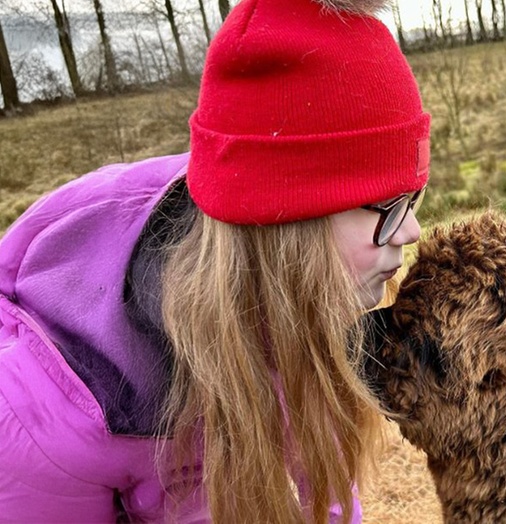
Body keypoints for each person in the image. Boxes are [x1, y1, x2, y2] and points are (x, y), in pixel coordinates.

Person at [0, 0, 430, 521]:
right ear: (289, 229)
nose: (411, 229)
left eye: (414, 198)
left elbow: (324, 491)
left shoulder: (298, 298)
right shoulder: (43, 414)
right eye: (386, 205)